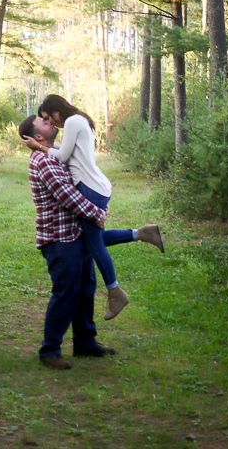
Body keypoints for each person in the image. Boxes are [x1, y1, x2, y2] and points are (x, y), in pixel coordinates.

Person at [24, 94, 164, 322]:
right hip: (95, 186)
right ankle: (142, 233)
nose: (51, 122)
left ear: (56, 109)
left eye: (49, 117)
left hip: (89, 188)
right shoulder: (78, 121)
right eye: (45, 120)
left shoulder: (71, 121)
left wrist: (38, 146)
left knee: (93, 243)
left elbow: (62, 155)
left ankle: (115, 291)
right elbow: (68, 150)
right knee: (91, 240)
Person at [18, 111, 116, 370]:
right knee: (66, 293)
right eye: (44, 122)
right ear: (38, 135)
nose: (50, 121)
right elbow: (67, 195)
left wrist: (98, 208)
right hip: (59, 239)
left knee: (85, 289)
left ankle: (85, 342)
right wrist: (97, 215)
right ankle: (50, 350)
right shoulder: (42, 161)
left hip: (75, 234)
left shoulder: (55, 153)